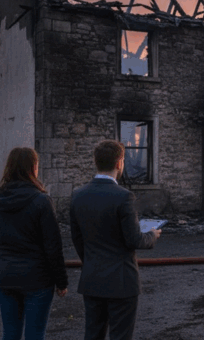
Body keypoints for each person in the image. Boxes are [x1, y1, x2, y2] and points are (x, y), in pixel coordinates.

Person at [70, 140, 161, 340]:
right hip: (122, 281)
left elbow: (77, 238)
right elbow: (134, 240)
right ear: (120, 163)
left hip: (92, 278)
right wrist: (152, 236)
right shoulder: (124, 197)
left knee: (92, 334)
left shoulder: (77, 195)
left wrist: (91, 262)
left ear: (96, 162)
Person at [0, 147, 69, 340]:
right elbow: (53, 246)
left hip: (6, 277)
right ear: (33, 168)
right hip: (37, 280)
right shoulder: (42, 201)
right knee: (35, 334)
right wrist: (61, 281)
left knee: (10, 334)